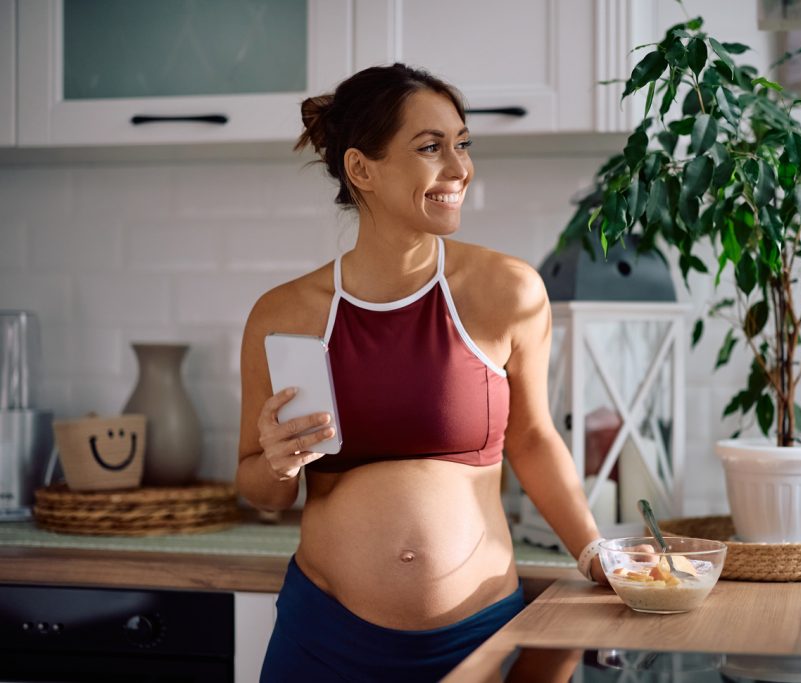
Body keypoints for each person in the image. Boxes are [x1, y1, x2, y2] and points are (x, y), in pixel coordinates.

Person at [235, 63, 609, 682]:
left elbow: (534, 438)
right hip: (323, 641)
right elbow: (259, 487)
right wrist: (277, 462)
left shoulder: (508, 292)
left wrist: (595, 553)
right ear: (362, 169)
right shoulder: (283, 315)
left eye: (462, 144)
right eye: (431, 148)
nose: (460, 169)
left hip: (476, 641)